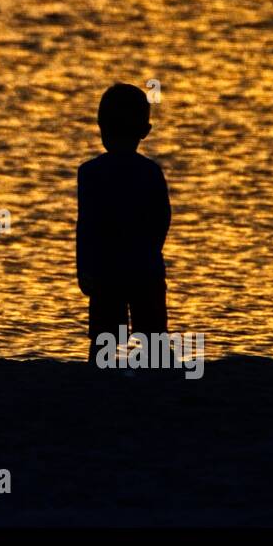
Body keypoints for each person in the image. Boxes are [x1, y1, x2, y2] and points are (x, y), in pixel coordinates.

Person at [76, 83, 171, 363]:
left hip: (107, 271)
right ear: (145, 131)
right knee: (153, 340)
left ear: (100, 126)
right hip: (145, 268)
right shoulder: (151, 172)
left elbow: (87, 226)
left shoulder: (91, 173)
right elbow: (162, 218)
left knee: (104, 340)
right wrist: (150, 251)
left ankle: (103, 379)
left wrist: (85, 268)